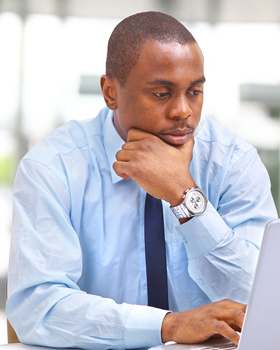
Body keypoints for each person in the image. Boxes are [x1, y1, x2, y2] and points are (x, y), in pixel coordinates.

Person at [7, 11, 277, 350]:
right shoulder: (52, 167)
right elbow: (38, 308)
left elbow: (263, 302)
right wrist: (170, 326)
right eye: (162, 93)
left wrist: (185, 195)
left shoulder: (234, 162)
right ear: (110, 92)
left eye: (194, 91)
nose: (183, 111)